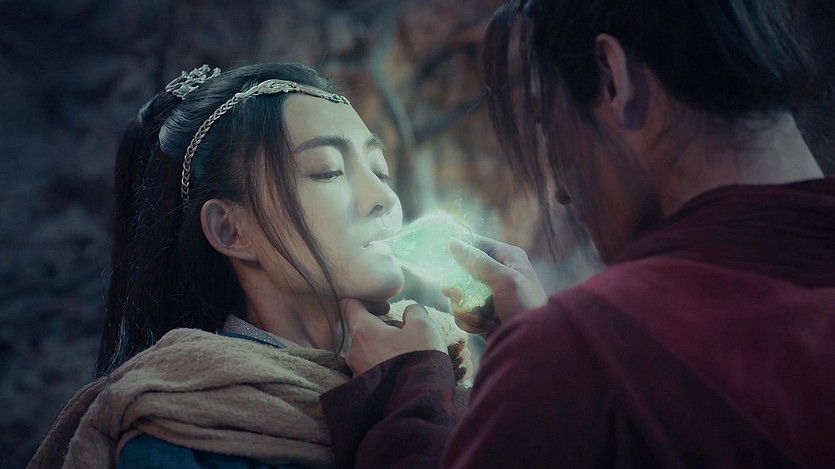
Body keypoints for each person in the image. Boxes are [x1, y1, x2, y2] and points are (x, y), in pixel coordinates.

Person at [320, 0, 835, 467]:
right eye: (326, 171)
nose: (563, 192)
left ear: (612, 80)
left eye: (549, 121)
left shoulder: (586, 356)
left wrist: (409, 397)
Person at [27, 63, 472, 468]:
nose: (384, 198)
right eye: (328, 170)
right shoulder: (180, 426)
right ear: (231, 230)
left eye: (380, 171)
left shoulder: (439, 360)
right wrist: (414, 394)